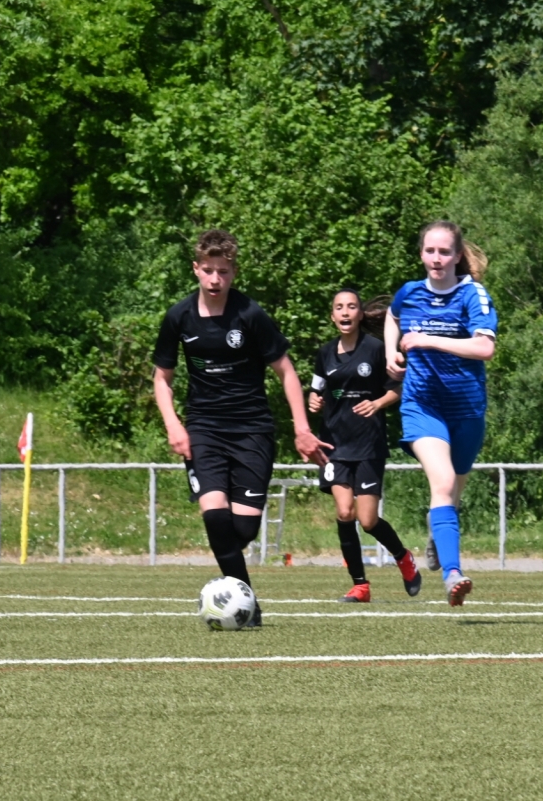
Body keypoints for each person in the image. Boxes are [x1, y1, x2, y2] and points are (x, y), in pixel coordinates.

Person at [154, 229, 329, 627]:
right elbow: (162, 378)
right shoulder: (179, 317)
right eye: (209, 270)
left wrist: (302, 428)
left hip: (252, 429)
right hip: (204, 428)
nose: (215, 279)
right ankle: (247, 606)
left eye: (224, 271)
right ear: (196, 269)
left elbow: (286, 372)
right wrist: (174, 426)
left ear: (234, 273)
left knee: (243, 529)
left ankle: (238, 596)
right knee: (215, 518)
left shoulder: (249, 314)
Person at [385, 221, 497, 607]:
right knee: (444, 482)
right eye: (430, 251)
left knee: (452, 493)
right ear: (421, 254)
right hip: (422, 405)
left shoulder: (472, 294)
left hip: (466, 411)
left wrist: (427, 340)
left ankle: (437, 532)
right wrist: (391, 352)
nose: (437, 258)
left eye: (445, 252)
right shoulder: (410, 292)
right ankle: (453, 575)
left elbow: (484, 349)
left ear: (457, 256)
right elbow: (392, 316)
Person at [308, 289, 421, 602]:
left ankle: (403, 557)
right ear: (332, 316)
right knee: (345, 512)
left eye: (351, 307)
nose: (345, 312)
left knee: (368, 520)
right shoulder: (325, 353)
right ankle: (360, 585)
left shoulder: (375, 349)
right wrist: (314, 400)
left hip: (368, 443)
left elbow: (399, 387)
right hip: (334, 444)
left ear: (359, 314)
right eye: (339, 307)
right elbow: (316, 389)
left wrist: (378, 403)